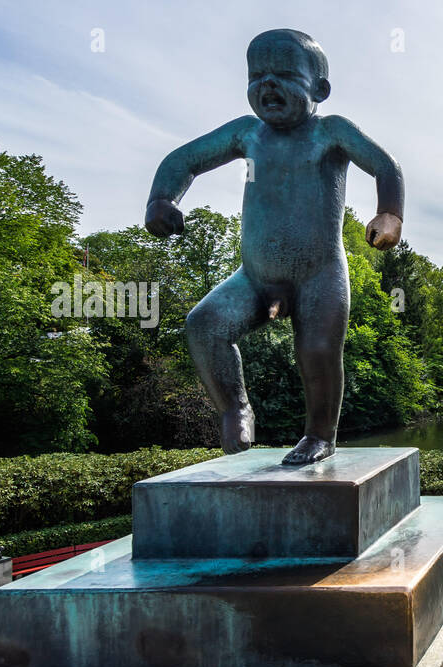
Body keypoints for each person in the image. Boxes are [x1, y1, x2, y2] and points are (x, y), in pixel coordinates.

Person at [144, 28, 404, 465]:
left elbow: (384, 165)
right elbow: (183, 161)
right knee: (205, 324)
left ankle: (320, 434)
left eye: (283, 74)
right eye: (257, 75)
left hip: (318, 275)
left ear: (319, 88)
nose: (268, 84)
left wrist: (389, 214)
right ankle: (236, 408)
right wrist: (162, 198)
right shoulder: (248, 134)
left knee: (318, 351)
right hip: (256, 278)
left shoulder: (330, 132)